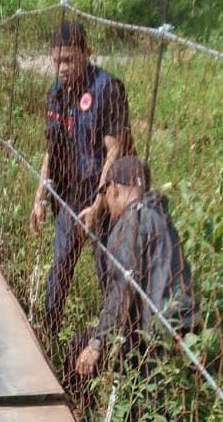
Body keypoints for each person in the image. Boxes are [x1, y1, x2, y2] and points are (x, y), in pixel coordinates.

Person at [29, 21, 135, 346]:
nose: (63, 68)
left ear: (87, 53)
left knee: (110, 276)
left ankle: (116, 347)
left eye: (70, 60)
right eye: (58, 60)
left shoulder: (107, 89)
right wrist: (39, 198)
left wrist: (99, 205)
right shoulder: (56, 93)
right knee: (59, 268)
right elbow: (51, 150)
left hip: (107, 198)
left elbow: (114, 152)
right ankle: (48, 339)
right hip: (70, 195)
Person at [70, 156, 197, 381]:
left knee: (78, 348)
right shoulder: (158, 213)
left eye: (104, 193)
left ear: (114, 189)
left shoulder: (132, 221)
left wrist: (96, 343)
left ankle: (80, 410)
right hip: (183, 329)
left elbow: (120, 290)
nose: (105, 204)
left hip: (155, 337)